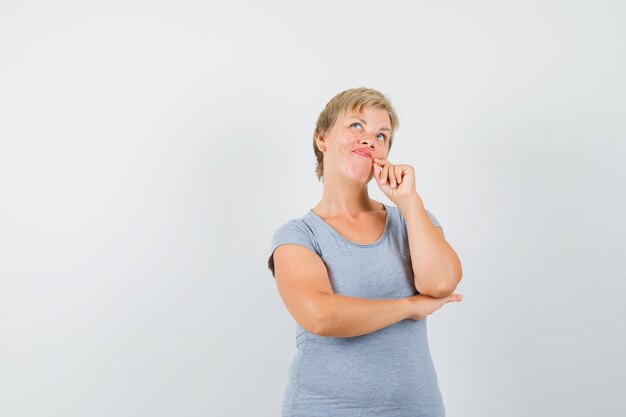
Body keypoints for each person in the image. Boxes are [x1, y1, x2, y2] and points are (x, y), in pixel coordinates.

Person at [267, 87, 464, 417]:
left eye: (381, 135)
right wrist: (409, 306)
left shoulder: (413, 220)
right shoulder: (298, 235)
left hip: (416, 408)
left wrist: (409, 202)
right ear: (322, 138)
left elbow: (441, 283)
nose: (369, 139)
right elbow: (320, 315)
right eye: (356, 126)